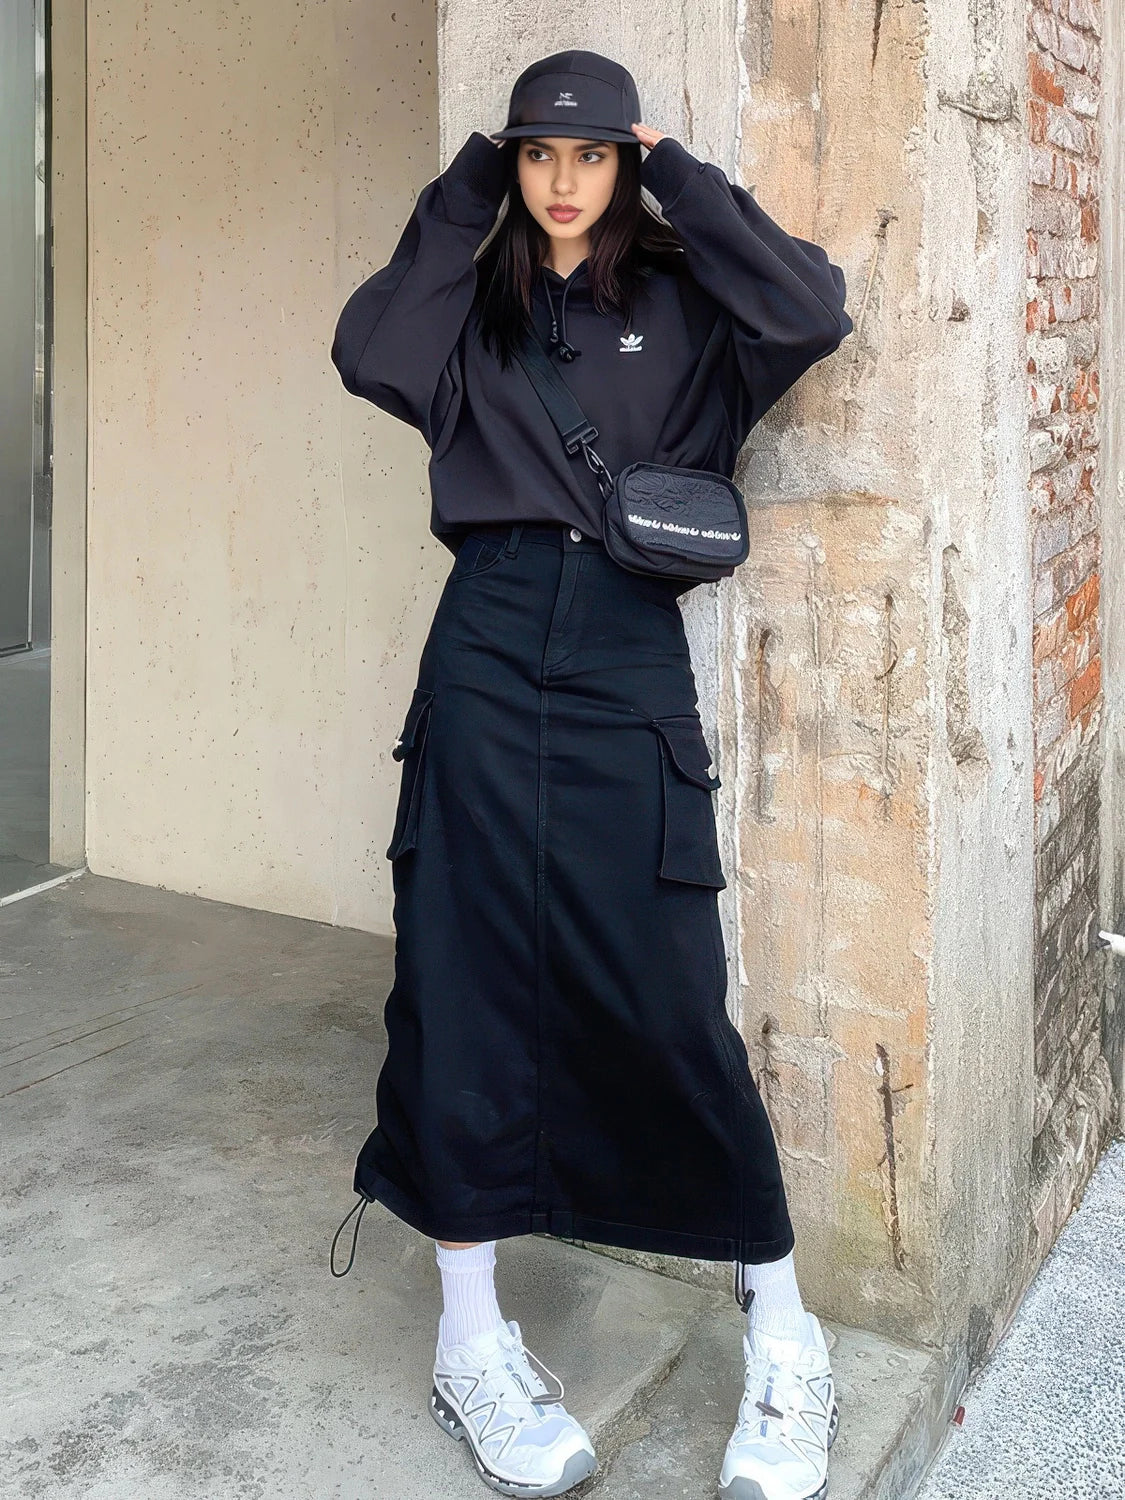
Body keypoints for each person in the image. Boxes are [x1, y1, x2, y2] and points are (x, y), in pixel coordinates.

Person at [329, 48, 852, 1500]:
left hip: (623, 655)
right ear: (511, 165)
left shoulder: (691, 305)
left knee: (666, 991)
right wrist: (456, 190)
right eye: (535, 156)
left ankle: (785, 1338)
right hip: (485, 646)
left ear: (623, 163)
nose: (560, 183)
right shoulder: (472, 309)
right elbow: (369, 349)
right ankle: (469, 1337)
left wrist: (682, 169)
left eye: (590, 156)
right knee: (460, 980)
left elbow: (810, 307)